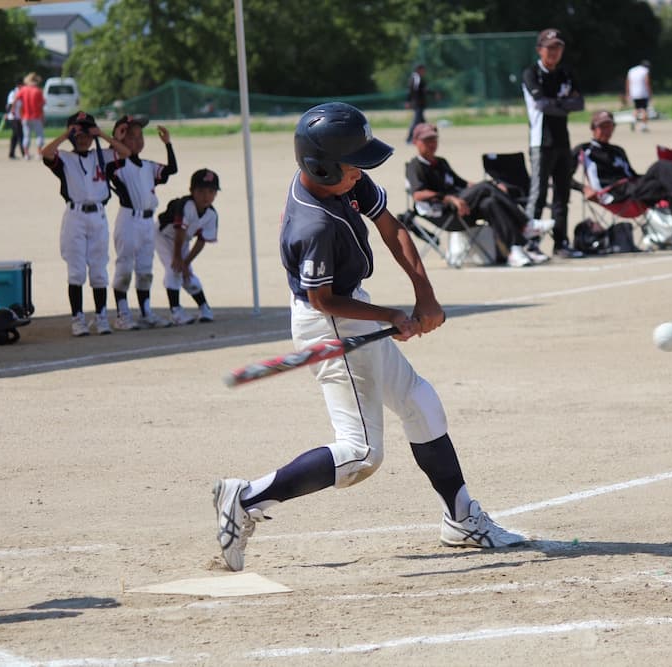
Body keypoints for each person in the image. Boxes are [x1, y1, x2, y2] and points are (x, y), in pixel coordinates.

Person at [211, 102, 525, 572]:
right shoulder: (313, 223)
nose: (362, 172)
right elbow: (322, 300)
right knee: (360, 453)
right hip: (331, 320)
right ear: (323, 165)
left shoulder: (343, 177)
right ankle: (246, 497)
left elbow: (391, 227)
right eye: (355, 164)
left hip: (351, 307)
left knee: (420, 402)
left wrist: (425, 294)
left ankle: (461, 517)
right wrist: (389, 315)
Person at [407, 122, 552, 267]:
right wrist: (451, 199)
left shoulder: (441, 162)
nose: (431, 144)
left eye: (434, 139)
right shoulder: (415, 166)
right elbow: (418, 194)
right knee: (485, 187)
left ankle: (514, 250)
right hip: (443, 212)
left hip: (463, 208)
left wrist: (494, 188)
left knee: (489, 202)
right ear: (415, 142)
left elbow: (463, 184)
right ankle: (526, 224)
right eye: (426, 140)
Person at [41, 111, 131, 336]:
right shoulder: (65, 158)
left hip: (98, 216)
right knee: (76, 271)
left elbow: (125, 152)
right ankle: (77, 319)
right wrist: (66, 134)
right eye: (78, 133)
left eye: (86, 133)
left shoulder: (101, 156)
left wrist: (101, 134)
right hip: (75, 217)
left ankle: (101, 317)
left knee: (99, 270)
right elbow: (46, 152)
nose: (83, 137)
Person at [105, 115, 178, 330]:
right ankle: (122, 313)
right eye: (131, 137)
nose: (137, 141)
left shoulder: (147, 165)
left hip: (147, 222)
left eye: (140, 136)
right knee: (125, 267)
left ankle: (146, 312)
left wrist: (168, 144)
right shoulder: (117, 164)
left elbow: (171, 170)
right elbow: (110, 166)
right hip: (129, 220)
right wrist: (114, 140)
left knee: (145, 269)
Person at [522, 28, 585, 258]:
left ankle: (561, 243)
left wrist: (557, 103)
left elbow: (580, 103)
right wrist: (563, 103)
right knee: (538, 195)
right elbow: (541, 104)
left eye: (558, 47)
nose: (554, 52)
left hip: (562, 141)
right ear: (540, 49)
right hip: (541, 141)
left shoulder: (565, 73)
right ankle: (531, 243)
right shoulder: (531, 73)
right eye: (549, 47)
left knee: (562, 195)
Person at [576, 110, 672, 223]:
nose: (606, 131)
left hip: (633, 189)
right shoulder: (584, 150)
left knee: (668, 178)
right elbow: (562, 175)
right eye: (602, 127)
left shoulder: (618, 150)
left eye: (609, 126)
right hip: (613, 194)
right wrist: (582, 188)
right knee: (661, 166)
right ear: (593, 128)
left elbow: (632, 175)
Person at [155, 168, 220, 325]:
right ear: (192, 191)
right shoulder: (186, 205)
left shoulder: (211, 214)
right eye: (201, 191)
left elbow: (201, 241)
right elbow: (179, 231)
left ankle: (204, 307)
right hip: (163, 236)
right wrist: (178, 259)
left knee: (187, 273)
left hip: (182, 241)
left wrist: (187, 262)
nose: (206, 196)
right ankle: (176, 311)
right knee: (174, 269)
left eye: (211, 191)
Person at [18, 72, 45, 161]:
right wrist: (43, 116)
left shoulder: (23, 90)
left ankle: (26, 154)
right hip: (36, 116)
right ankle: (38, 153)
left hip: (25, 116)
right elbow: (42, 105)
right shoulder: (38, 91)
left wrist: (14, 111)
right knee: (39, 135)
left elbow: (16, 101)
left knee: (26, 136)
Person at [405, 64, 432, 144]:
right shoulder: (416, 78)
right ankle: (409, 139)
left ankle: (425, 138)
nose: (424, 72)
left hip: (418, 103)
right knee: (416, 122)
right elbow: (412, 90)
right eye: (423, 70)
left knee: (422, 122)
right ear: (419, 70)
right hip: (418, 104)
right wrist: (408, 101)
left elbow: (422, 90)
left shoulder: (416, 78)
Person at [625, 60, 652, 133]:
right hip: (643, 93)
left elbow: (628, 82)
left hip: (634, 93)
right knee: (644, 109)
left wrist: (628, 93)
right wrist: (650, 92)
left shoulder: (631, 70)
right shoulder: (645, 71)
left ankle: (633, 121)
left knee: (636, 108)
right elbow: (647, 82)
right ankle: (644, 126)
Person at [5, 80, 24, 160]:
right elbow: (9, 105)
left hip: (19, 117)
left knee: (15, 136)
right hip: (14, 117)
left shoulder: (22, 92)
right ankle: (24, 153)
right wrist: (7, 113)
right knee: (20, 135)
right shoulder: (13, 93)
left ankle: (11, 154)